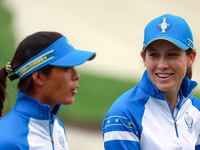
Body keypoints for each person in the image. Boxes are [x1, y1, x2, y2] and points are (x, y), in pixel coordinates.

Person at [102, 14, 200, 150]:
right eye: (154, 55)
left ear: (191, 58)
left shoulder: (196, 109)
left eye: (172, 54)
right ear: (144, 58)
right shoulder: (123, 114)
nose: (162, 64)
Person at [0, 31, 96, 149]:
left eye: (74, 68)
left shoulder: (57, 127)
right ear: (39, 77)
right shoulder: (7, 141)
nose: (76, 75)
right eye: (66, 68)